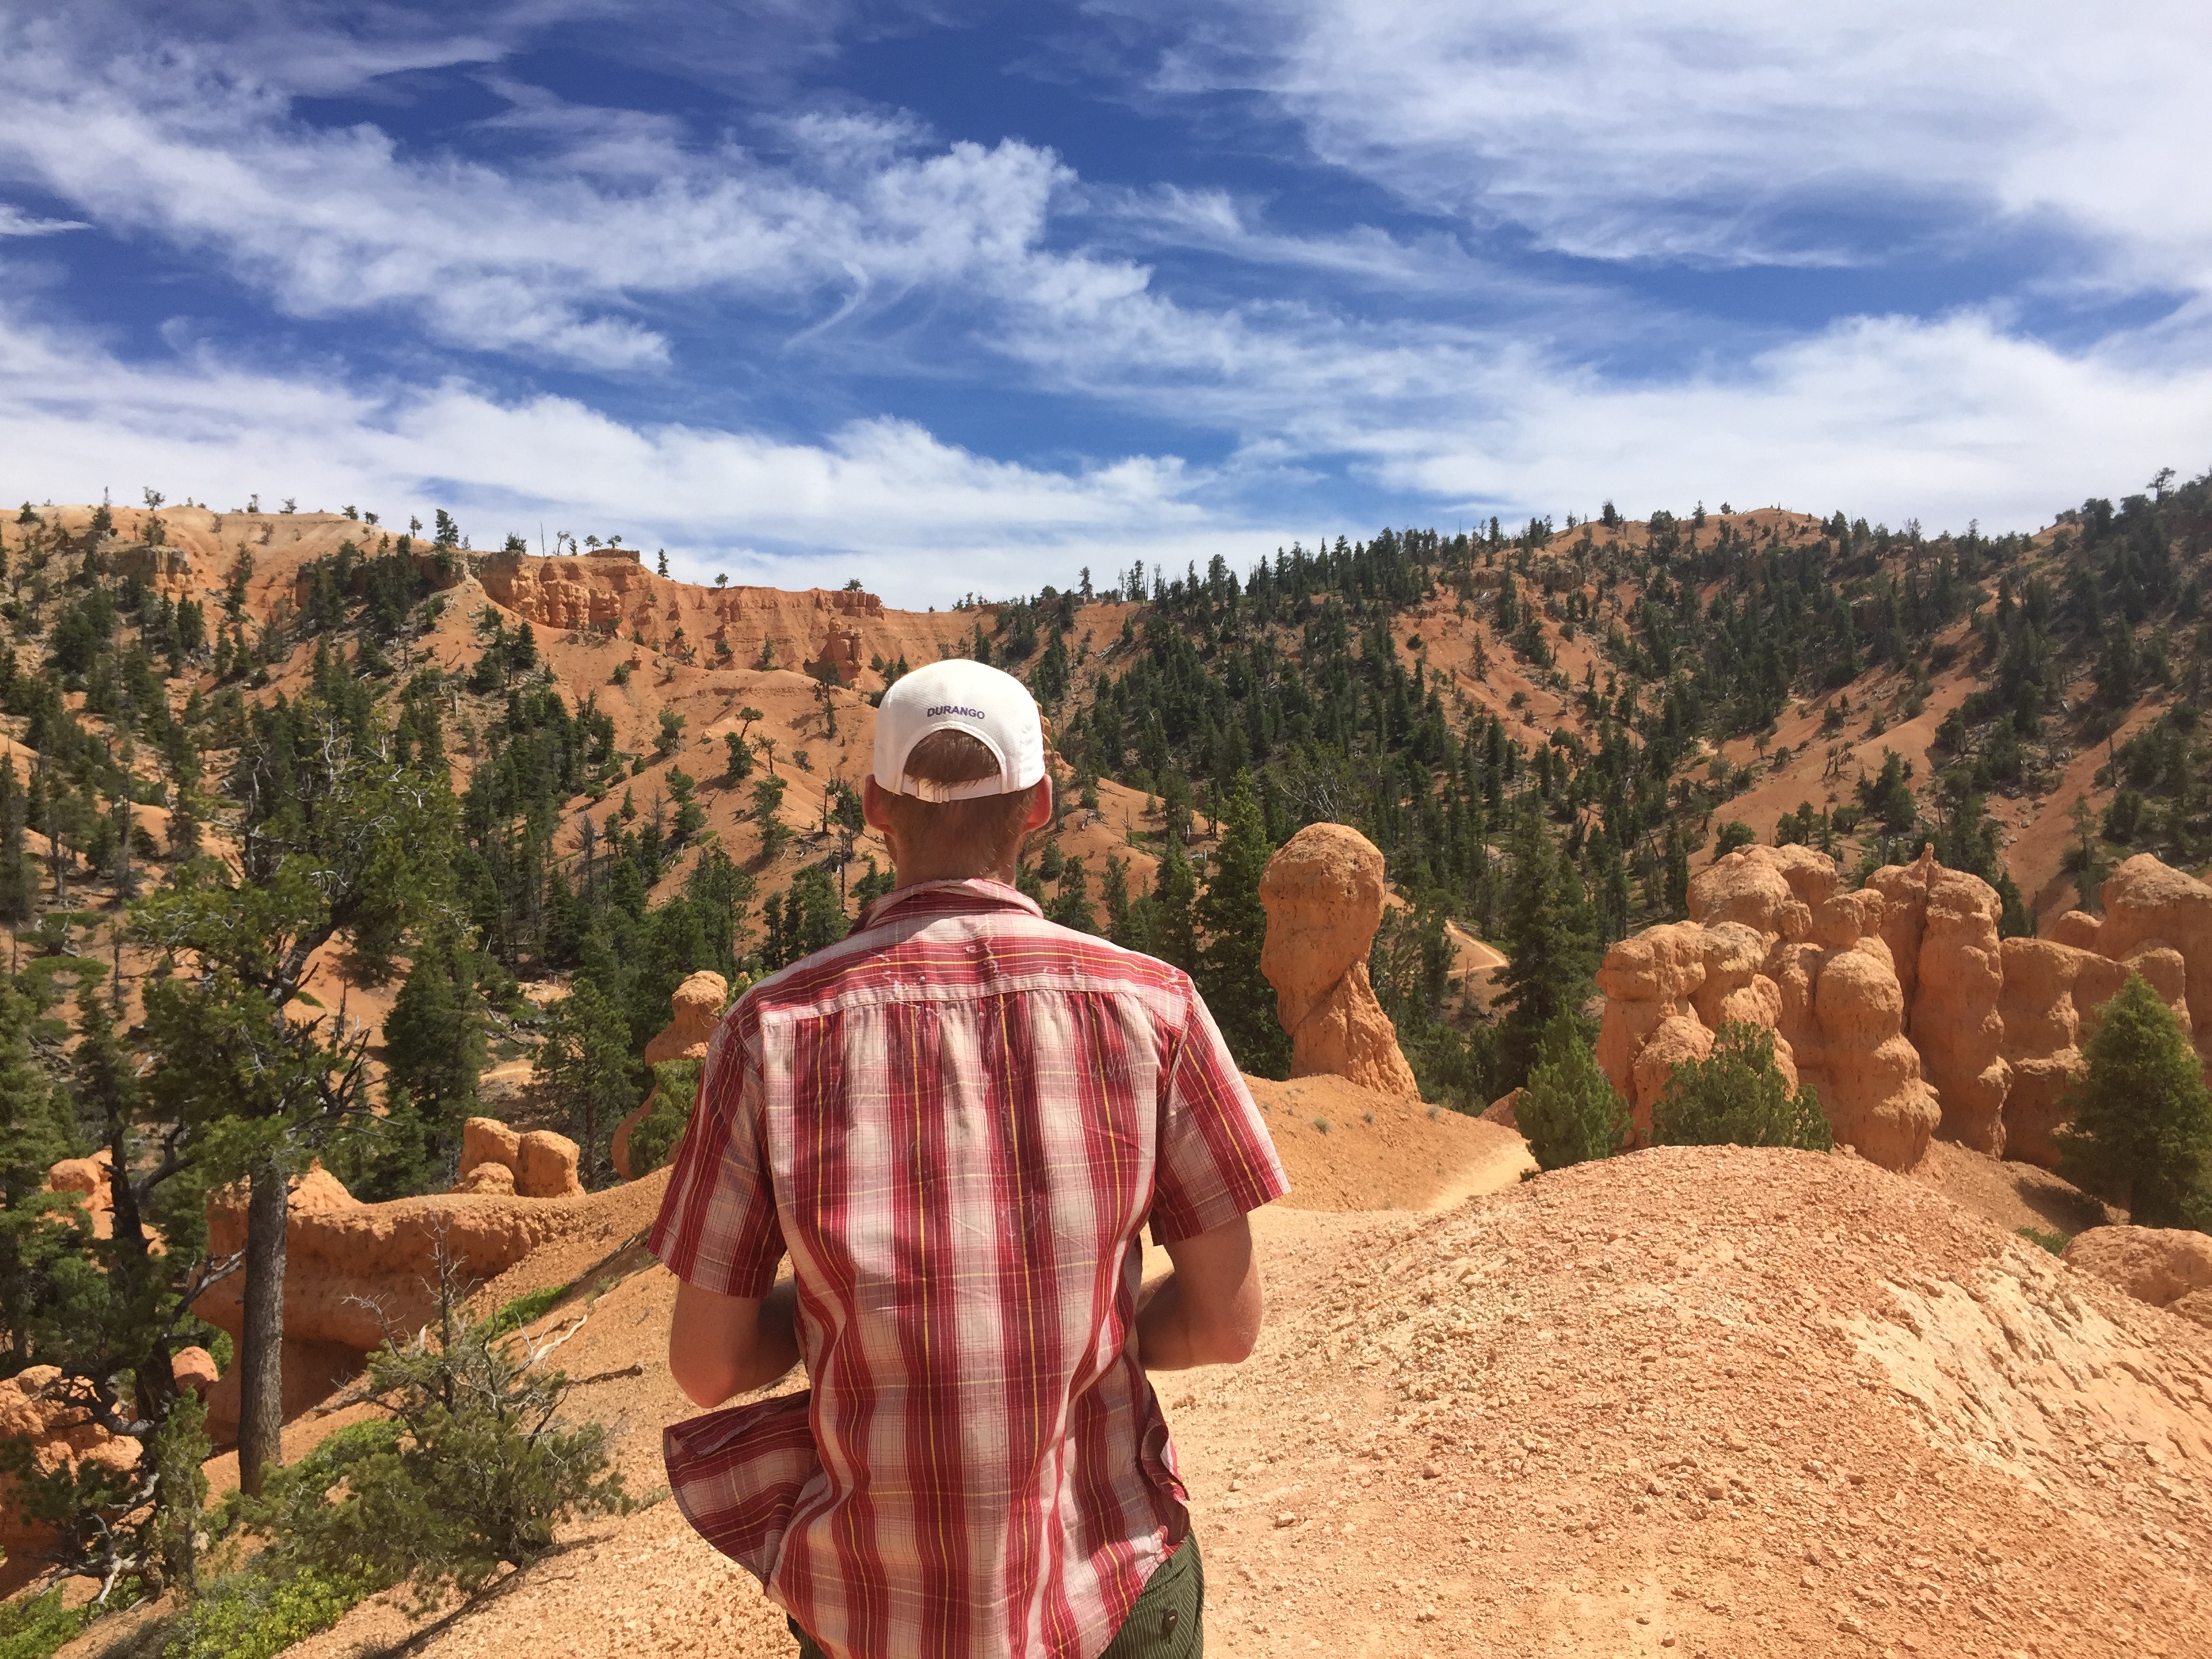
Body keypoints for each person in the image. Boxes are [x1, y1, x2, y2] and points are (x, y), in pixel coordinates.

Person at [652, 658, 1289, 1659]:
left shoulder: (768, 1030)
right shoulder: (1155, 1007)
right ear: (1039, 805)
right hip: (1110, 1587)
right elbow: (1227, 1326)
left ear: (873, 806)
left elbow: (706, 1365)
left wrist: (836, 1321)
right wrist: (1084, 1326)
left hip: (873, 1611)